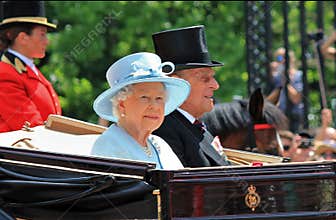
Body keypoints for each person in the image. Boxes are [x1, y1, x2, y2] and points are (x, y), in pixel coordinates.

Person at [90, 52, 191, 170]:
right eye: (144, 97)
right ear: (122, 104)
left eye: (159, 98)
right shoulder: (109, 145)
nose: (155, 106)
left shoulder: (159, 144)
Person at [152, 25, 230, 167]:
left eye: (213, 78)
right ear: (176, 84)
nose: (216, 85)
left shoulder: (193, 125)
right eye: (205, 78)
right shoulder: (162, 129)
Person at [0, 1, 61, 132]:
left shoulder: (27, 70)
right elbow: (31, 128)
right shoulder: (4, 74)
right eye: (42, 34)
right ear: (23, 38)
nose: (47, 41)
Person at [271, 47, 304, 133]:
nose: (282, 61)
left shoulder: (299, 75)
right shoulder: (274, 77)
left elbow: (296, 99)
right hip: (278, 118)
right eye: (279, 58)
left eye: (285, 57)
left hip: (294, 118)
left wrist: (285, 81)